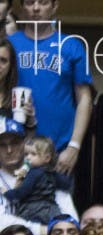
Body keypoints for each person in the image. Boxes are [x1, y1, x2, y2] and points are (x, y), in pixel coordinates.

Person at [9, 0, 93, 175]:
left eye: (44, 2)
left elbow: (84, 98)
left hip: (57, 151)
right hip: (12, 149)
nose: (36, 8)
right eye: (30, 2)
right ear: (22, 7)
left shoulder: (72, 45)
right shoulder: (9, 45)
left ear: (55, 6)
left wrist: (74, 147)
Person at [4, 135, 68, 225]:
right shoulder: (52, 173)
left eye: (33, 154)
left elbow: (23, 191)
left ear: (47, 158)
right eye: (26, 154)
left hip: (33, 209)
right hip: (52, 209)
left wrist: (8, 193)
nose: (28, 158)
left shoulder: (33, 173)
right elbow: (65, 184)